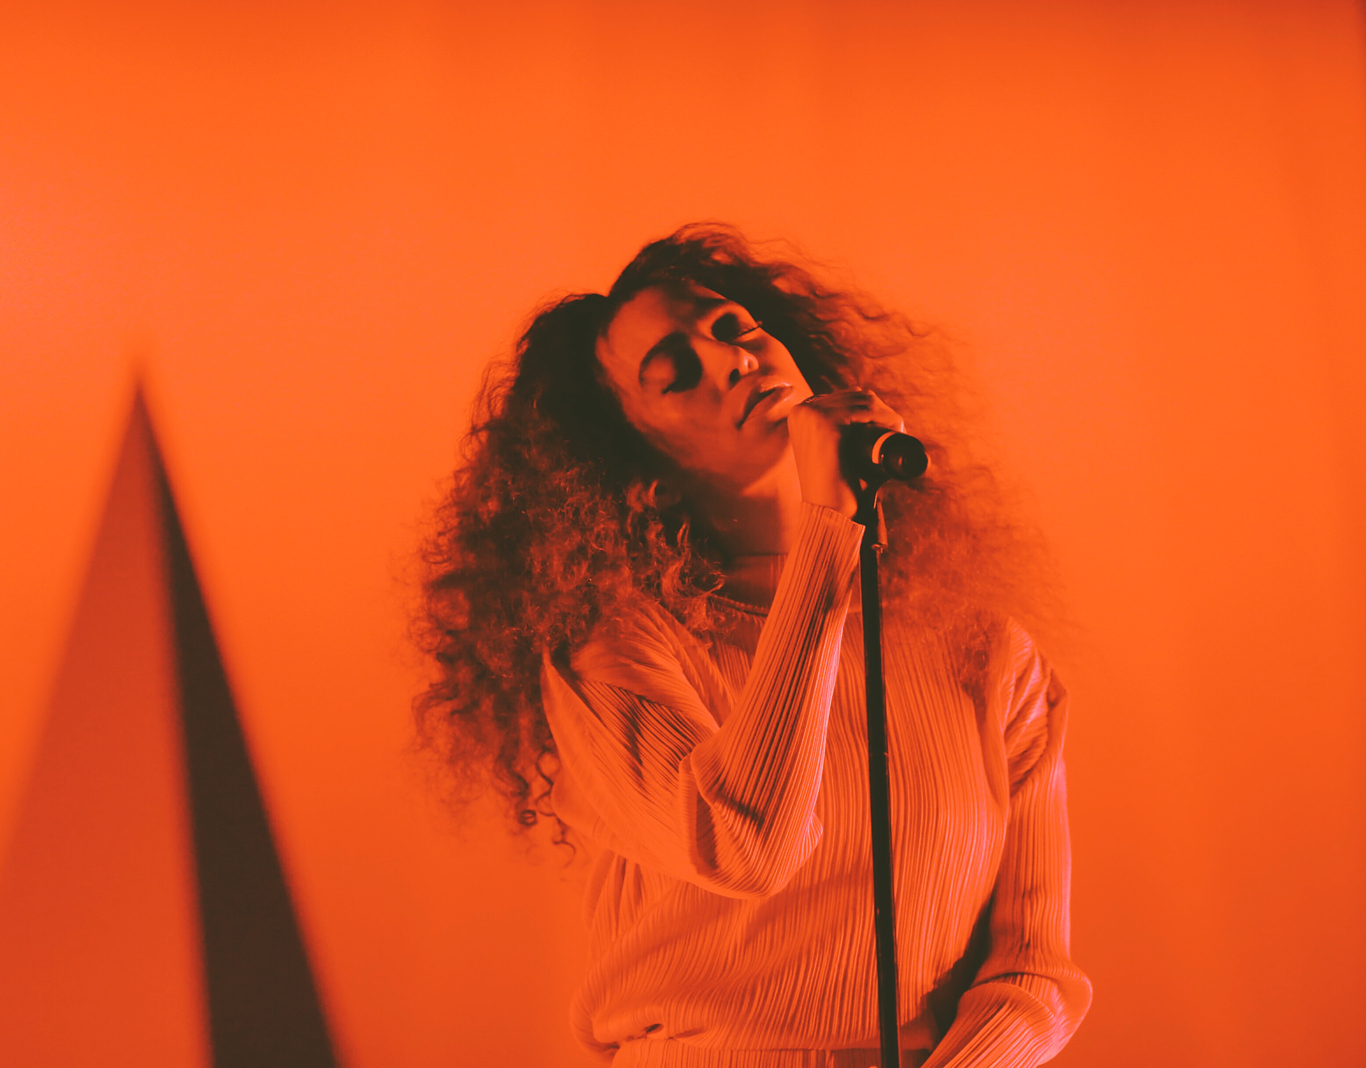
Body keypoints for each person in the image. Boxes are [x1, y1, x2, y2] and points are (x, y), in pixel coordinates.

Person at [415, 224, 1091, 1067]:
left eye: (736, 328)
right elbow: (747, 845)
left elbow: (1034, 971)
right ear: (644, 474)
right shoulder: (614, 652)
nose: (734, 360)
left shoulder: (982, 649)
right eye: (675, 373)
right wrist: (829, 531)